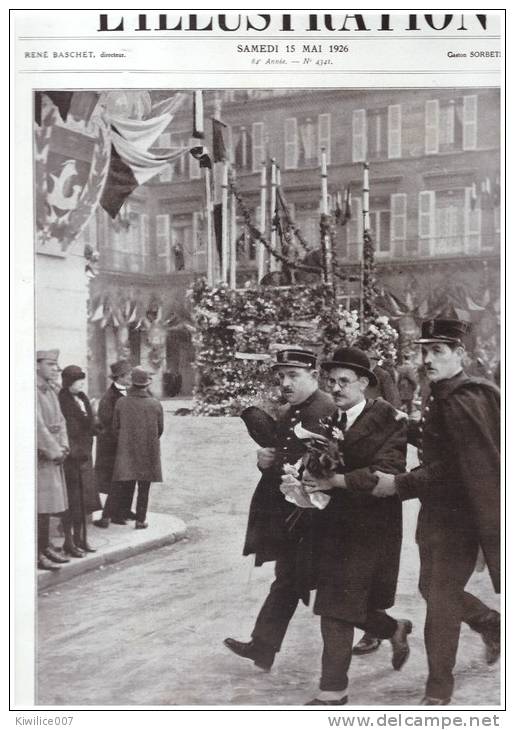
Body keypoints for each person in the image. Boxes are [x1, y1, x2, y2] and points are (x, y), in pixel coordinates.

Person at [373, 319, 500, 705]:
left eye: (438, 351)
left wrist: (399, 485)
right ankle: (491, 623)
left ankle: (438, 690)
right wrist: (405, 425)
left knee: (440, 597)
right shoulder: (444, 392)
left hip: (463, 517)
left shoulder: (464, 396)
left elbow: (459, 467)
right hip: (439, 515)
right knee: (432, 588)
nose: (427, 359)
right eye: (424, 351)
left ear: (461, 354)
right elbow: (442, 444)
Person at [296, 347, 410, 705]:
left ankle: (333, 691)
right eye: (331, 381)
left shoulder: (390, 419)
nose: (336, 388)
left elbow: (387, 472)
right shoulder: (330, 418)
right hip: (332, 525)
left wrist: (336, 483)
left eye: (344, 381)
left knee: (336, 608)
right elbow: (316, 462)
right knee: (342, 605)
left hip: (371, 529)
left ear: (364, 383)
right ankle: (393, 628)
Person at [224, 348, 335, 672]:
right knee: (289, 580)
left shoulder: (323, 410)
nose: (285, 383)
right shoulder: (295, 410)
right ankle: (263, 646)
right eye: (281, 376)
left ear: (313, 376)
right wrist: (265, 462)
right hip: (296, 516)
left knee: (331, 588)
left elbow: (320, 468)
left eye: (293, 375)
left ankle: (389, 627)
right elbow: (285, 462)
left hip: (318, 518)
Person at [111, 367, 164, 528]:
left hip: (126, 450)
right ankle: (140, 520)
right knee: (144, 488)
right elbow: (160, 429)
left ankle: (122, 513)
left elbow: (115, 428)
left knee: (127, 483)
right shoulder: (155, 404)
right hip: (148, 452)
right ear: (146, 384)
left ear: (132, 383)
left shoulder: (121, 402)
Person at [58, 365, 102, 555]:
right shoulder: (63, 400)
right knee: (71, 501)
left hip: (85, 457)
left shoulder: (82, 398)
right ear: (69, 382)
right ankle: (69, 542)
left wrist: (93, 416)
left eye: (83, 381)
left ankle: (81, 539)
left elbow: (91, 426)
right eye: (79, 381)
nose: (82, 384)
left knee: (84, 500)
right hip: (72, 458)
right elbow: (68, 430)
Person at [36, 349, 70, 571]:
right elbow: (37, 425)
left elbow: (61, 421)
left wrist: (64, 445)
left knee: (47, 505)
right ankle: (37, 552)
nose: (55, 369)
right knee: (37, 505)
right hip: (39, 456)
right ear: (37, 365)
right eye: (50, 364)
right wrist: (54, 450)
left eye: (56, 365)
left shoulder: (51, 390)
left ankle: (45, 546)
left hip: (52, 456)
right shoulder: (32, 391)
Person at [94, 360, 134, 528]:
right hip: (113, 447)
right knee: (116, 480)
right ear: (120, 377)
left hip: (128, 443)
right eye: (129, 375)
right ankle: (112, 514)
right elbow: (107, 424)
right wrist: (121, 440)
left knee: (130, 477)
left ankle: (125, 510)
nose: (131, 377)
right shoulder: (108, 398)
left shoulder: (130, 392)